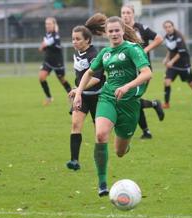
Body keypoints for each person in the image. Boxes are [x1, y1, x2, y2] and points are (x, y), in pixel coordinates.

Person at [73, 15, 152, 197]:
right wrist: (78, 92)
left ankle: (125, 144)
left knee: (119, 152)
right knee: (100, 135)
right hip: (108, 97)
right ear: (106, 34)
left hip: (129, 104)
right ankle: (102, 183)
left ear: (123, 31)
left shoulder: (133, 49)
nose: (114, 33)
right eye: (111, 31)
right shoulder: (105, 53)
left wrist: (127, 86)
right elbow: (89, 73)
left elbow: (147, 73)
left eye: (117, 30)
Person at [121, 4, 164, 139]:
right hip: (127, 71)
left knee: (132, 99)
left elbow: (159, 38)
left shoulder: (141, 28)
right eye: (123, 13)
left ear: (133, 14)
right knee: (133, 99)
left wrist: (145, 50)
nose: (125, 15)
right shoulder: (120, 30)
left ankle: (145, 130)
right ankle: (147, 130)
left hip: (142, 70)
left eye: (128, 12)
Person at [66, 25, 105, 171]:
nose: (74, 42)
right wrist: (78, 91)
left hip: (98, 96)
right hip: (82, 96)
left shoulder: (94, 55)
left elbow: (95, 78)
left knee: (99, 132)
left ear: (87, 40)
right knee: (75, 125)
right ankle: (74, 161)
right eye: (73, 39)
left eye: (78, 39)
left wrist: (78, 89)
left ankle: (100, 160)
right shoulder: (77, 53)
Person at [162, 20, 192, 109]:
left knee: (191, 83)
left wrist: (171, 61)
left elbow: (181, 53)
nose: (168, 29)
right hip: (173, 66)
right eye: (166, 27)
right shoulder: (166, 37)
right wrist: (166, 59)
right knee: (166, 82)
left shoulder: (178, 37)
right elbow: (170, 49)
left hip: (184, 64)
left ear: (173, 27)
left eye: (169, 26)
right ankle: (166, 103)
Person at [38, 17, 72, 105]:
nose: (47, 25)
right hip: (48, 61)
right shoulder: (47, 35)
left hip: (57, 62)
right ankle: (49, 97)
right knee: (41, 77)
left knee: (62, 80)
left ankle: (72, 95)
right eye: (46, 24)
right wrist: (44, 46)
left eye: (49, 24)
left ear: (54, 25)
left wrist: (44, 45)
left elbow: (45, 45)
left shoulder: (56, 36)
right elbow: (44, 46)